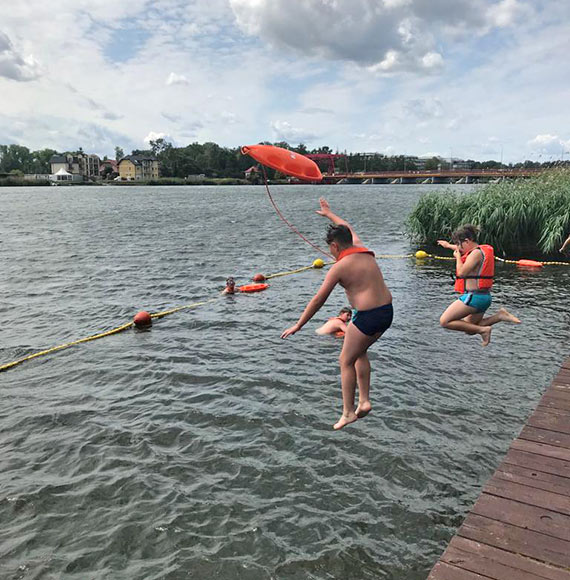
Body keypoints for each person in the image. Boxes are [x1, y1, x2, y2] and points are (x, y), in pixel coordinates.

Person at [281, 197, 393, 430]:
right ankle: (364, 401)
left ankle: (348, 412)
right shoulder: (363, 248)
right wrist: (329, 214)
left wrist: (298, 325)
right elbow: (348, 226)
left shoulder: (339, 267)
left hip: (367, 315)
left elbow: (318, 300)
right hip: (387, 312)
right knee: (359, 352)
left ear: (334, 247)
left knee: (345, 360)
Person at [437, 225, 520, 347]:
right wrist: (448, 246)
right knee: (470, 329)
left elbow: (461, 273)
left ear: (467, 241)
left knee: (444, 321)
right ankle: (499, 316)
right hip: (484, 297)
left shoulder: (475, 254)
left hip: (474, 297)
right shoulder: (480, 251)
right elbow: (461, 249)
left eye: (459, 245)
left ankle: (484, 330)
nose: (458, 248)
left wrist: (458, 258)